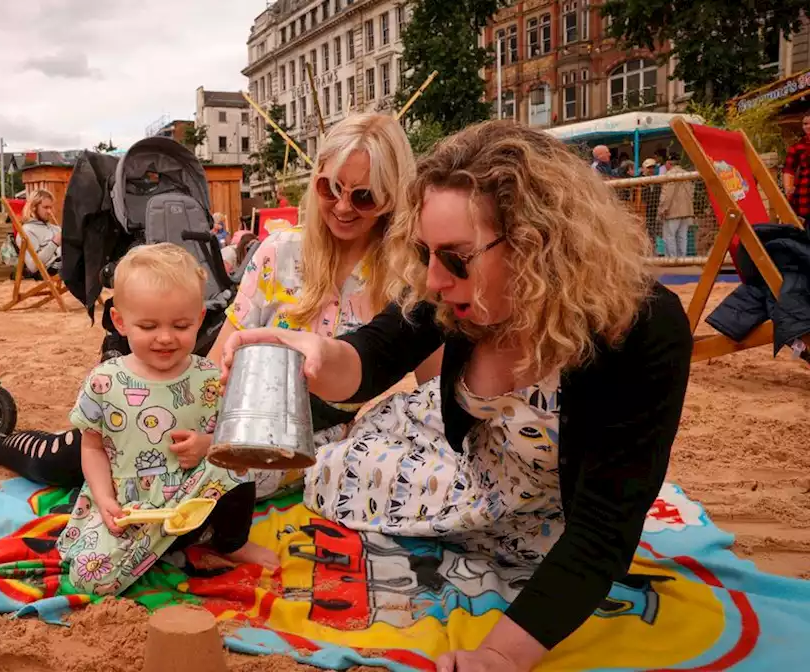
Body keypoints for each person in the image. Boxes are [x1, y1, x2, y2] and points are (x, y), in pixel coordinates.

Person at [220, 121, 692, 670]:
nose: (435, 280)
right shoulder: (448, 292)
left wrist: (499, 655)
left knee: (534, 561)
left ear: (534, 242)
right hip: (466, 456)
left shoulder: (640, 328)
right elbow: (375, 354)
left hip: (551, 506)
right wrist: (318, 356)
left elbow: (604, 532)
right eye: (424, 253)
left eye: (456, 257)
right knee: (328, 475)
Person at [0, 114, 429, 503]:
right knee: (87, 451)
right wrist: (181, 420)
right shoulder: (281, 252)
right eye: (330, 188)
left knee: (209, 488)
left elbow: (435, 390)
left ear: (392, 195)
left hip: (310, 443)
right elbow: (215, 365)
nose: (343, 207)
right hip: (228, 413)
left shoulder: (405, 283)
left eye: (363, 195)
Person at [58, 243, 277, 595]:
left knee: (236, 465)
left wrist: (208, 446)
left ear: (200, 319)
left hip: (193, 500)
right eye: (148, 325)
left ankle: (230, 543)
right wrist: (104, 499)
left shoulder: (209, 376)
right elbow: (93, 449)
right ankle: (174, 553)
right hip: (132, 507)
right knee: (90, 577)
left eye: (180, 325)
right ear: (120, 321)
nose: (165, 337)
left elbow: (234, 435)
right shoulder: (104, 381)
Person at [19, 189, 62, 278]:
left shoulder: (54, 228)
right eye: (46, 207)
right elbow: (33, 266)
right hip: (49, 268)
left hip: (64, 262)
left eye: (50, 207)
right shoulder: (27, 231)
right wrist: (54, 243)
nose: (49, 211)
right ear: (33, 207)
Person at [658, 156, 695, 257]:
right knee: (682, 236)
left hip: (672, 210)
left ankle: (672, 258)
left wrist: (663, 209)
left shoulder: (669, 175)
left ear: (669, 163)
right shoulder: (688, 174)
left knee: (669, 235)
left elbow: (667, 195)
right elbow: (692, 193)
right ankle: (682, 258)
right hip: (686, 210)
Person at [782, 114, 810, 223]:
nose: (808, 126)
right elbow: (788, 169)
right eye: (805, 124)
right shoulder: (797, 147)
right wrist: (788, 188)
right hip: (805, 191)